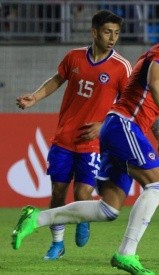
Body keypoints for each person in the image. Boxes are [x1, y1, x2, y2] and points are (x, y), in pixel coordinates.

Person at [12, 7, 159, 275]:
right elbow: (155, 83)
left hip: (120, 128)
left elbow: (151, 101)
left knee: (108, 208)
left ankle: (36, 218)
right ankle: (126, 253)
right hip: (123, 124)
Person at [15, 10, 131, 261]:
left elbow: (128, 104)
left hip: (93, 142)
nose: (113, 38)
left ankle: (84, 218)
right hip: (64, 138)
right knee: (57, 191)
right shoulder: (74, 57)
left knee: (82, 194)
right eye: (108, 32)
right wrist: (35, 97)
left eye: (117, 33)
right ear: (94, 32)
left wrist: (104, 125)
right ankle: (57, 244)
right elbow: (58, 79)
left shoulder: (121, 67)